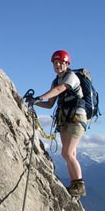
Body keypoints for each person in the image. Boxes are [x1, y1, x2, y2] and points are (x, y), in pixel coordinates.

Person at [27, 50, 88, 197]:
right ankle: (75, 185)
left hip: (77, 119)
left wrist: (38, 98)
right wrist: (34, 102)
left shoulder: (71, 77)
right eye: (56, 63)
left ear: (67, 64)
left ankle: (79, 185)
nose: (58, 65)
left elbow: (60, 90)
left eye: (61, 62)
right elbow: (50, 104)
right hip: (65, 119)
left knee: (67, 153)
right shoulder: (55, 81)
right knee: (69, 153)